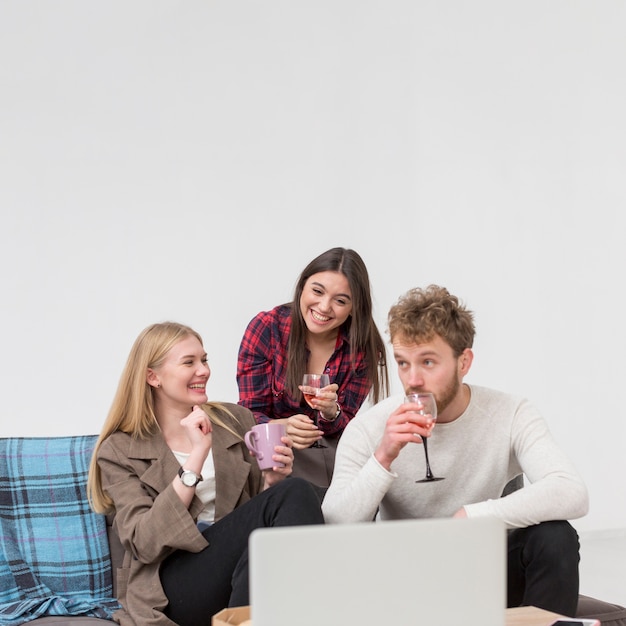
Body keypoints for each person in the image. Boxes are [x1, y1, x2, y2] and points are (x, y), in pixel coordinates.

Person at [322, 285, 589, 616]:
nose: (413, 380)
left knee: (555, 536)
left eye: (428, 362)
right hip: (405, 583)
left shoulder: (510, 413)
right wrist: (383, 457)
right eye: (403, 363)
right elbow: (332, 525)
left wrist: (471, 517)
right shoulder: (369, 428)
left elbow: (571, 491)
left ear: (464, 361)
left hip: (487, 574)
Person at [87, 322, 324, 626]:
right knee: (294, 494)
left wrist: (271, 483)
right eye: (189, 362)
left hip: (236, 573)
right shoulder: (119, 450)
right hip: (172, 586)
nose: (204, 370)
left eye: (204, 359)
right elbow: (144, 543)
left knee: (285, 502)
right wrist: (195, 457)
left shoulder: (233, 419)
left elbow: (251, 521)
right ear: (152, 376)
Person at [236, 247, 389, 490]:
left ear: (353, 308)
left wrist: (332, 413)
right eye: (317, 291)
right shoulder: (267, 328)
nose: (324, 307)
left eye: (340, 301)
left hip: (330, 459)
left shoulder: (362, 349)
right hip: (275, 452)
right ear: (302, 287)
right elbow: (246, 414)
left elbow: (348, 427)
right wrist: (281, 425)